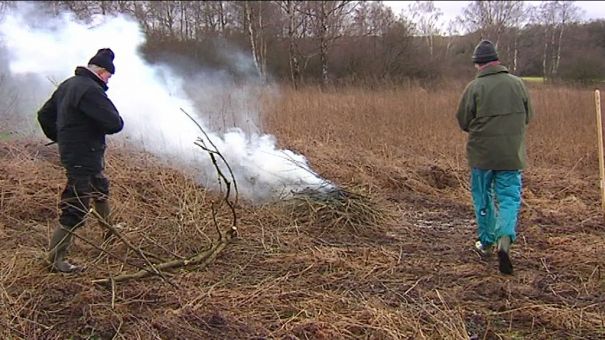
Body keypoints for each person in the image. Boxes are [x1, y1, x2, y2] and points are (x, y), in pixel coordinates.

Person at [38, 48, 124, 273]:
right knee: (76, 204)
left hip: (81, 153)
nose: (108, 80)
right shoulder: (90, 90)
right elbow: (114, 123)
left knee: (99, 187)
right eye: (109, 76)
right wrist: (71, 138)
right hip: (82, 155)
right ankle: (55, 259)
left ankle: (108, 230)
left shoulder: (69, 84)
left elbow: (44, 115)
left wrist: (62, 136)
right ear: (101, 71)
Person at [456, 40, 534, 275]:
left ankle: (486, 241)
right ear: (497, 61)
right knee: (509, 198)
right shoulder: (518, 84)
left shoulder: (474, 88)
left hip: (482, 155)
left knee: (483, 197)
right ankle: (504, 238)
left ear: (478, 64)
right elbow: (528, 116)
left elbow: (463, 120)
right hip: (511, 155)